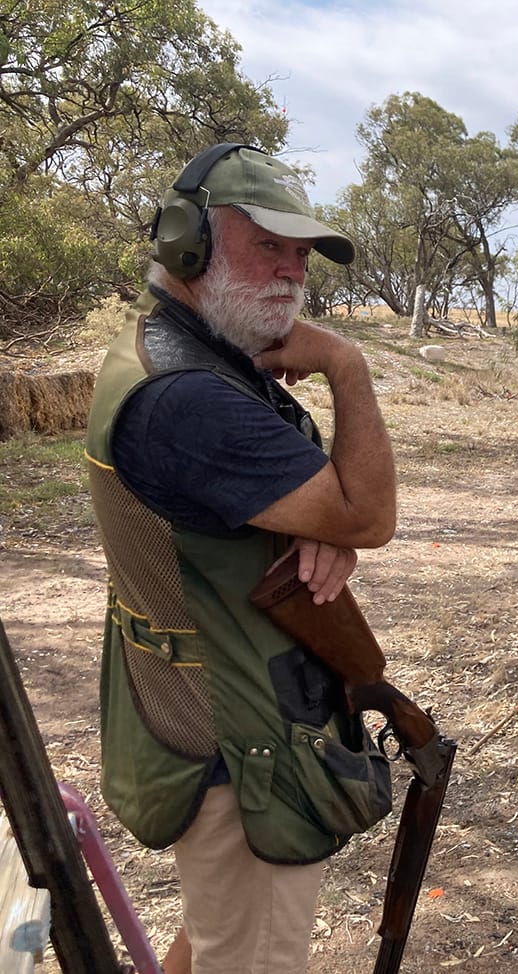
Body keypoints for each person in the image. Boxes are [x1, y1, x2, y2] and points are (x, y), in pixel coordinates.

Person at [84, 144, 397, 973]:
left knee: (218, 928)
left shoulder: (183, 353)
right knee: (251, 954)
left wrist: (324, 526)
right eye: (269, 245)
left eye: (302, 255)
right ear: (189, 244)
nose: (293, 274)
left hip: (210, 699)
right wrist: (344, 362)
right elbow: (371, 513)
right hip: (238, 731)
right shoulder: (188, 396)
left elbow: (319, 508)